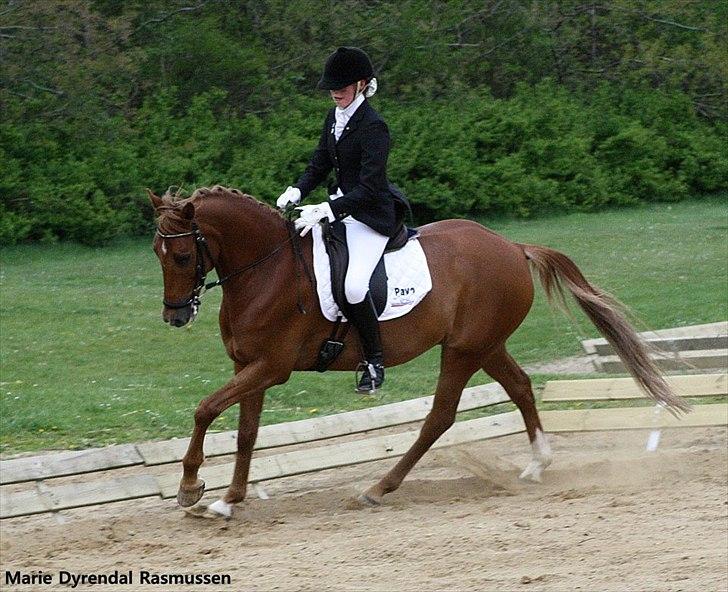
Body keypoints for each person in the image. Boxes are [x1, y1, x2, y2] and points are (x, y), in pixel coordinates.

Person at [277, 46, 410, 393]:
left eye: (343, 87)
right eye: (332, 87)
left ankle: (375, 361)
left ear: (361, 84)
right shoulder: (333, 118)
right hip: (339, 208)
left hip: (371, 216)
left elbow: (370, 187)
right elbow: (319, 163)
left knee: (352, 286)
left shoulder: (374, 127)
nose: (335, 92)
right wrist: (298, 191)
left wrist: (330, 210)